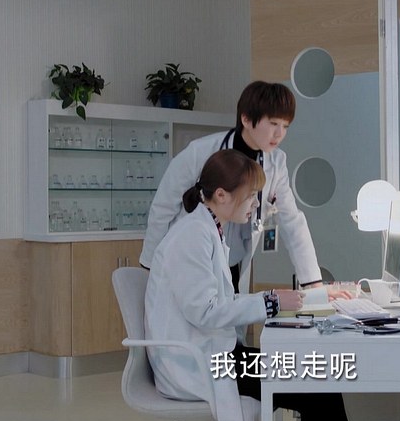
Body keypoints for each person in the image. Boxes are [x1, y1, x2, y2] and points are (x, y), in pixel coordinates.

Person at [145, 149, 350, 421]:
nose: (256, 203)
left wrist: (287, 298)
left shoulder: (207, 229)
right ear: (221, 195)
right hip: (198, 365)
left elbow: (223, 300)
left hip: (216, 355)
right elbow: (205, 311)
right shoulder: (192, 235)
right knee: (319, 385)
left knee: (319, 379)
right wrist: (271, 303)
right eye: (251, 195)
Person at [140, 81, 351, 299]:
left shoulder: (276, 162)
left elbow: (293, 222)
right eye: (273, 123)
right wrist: (149, 268)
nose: (279, 134)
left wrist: (313, 285)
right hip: (190, 256)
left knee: (229, 313)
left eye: (286, 126)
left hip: (232, 261)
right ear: (246, 119)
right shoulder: (199, 152)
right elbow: (162, 208)